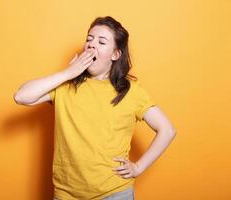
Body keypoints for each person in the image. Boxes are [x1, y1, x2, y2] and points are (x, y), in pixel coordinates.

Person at [14, 16, 177, 200]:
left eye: (101, 41)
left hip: (114, 193)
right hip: (66, 195)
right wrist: (68, 73)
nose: (92, 45)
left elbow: (167, 130)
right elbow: (21, 96)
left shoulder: (131, 92)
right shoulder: (65, 85)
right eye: (89, 39)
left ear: (115, 54)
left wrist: (138, 167)